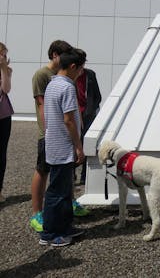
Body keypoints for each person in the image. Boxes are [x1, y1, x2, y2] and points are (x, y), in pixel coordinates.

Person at [39, 48, 86, 247]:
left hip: (55, 143)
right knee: (57, 193)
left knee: (65, 191)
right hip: (63, 147)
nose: (82, 73)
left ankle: (65, 228)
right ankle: (49, 234)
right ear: (73, 66)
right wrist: (78, 147)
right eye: (81, 69)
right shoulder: (66, 87)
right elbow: (69, 120)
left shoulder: (52, 84)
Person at [76, 66, 102, 185]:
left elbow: (98, 96)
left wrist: (91, 109)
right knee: (74, 143)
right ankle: (71, 174)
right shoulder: (70, 76)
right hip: (74, 114)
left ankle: (84, 175)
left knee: (87, 143)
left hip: (88, 115)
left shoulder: (90, 74)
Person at [0, 43, 13, 204]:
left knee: (1, 153)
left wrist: (3, 69)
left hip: (3, 115)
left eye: (5, 54)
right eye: (2, 54)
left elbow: (6, 89)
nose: (3, 57)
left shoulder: (7, 70)